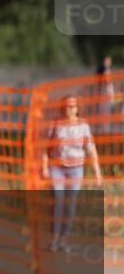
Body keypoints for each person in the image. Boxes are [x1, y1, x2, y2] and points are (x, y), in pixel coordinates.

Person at [41, 95, 102, 251]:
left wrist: (97, 172)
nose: (70, 109)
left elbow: (91, 149)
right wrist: (45, 167)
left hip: (76, 170)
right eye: (67, 106)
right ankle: (54, 239)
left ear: (78, 108)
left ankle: (64, 239)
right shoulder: (55, 123)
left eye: (73, 106)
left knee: (71, 204)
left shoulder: (83, 125)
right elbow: (45, 148)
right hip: (57, 168)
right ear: (63, 107)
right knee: (58, 201)